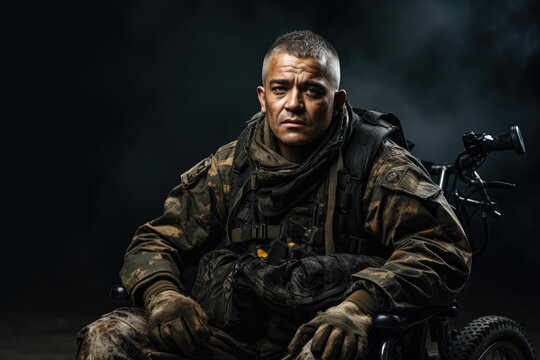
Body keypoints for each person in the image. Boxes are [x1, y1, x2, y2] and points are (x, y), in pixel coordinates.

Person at [76, 30, 471, 360]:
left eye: (312, 91)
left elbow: (441, 250)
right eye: (281, 89)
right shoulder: (230, 166)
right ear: (263, 98)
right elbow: (156, 240)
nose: (294, 104)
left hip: (326, 334)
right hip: (234, 336)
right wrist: (163, 296)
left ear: (337, 102)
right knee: (108, 335)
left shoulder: (376, 166)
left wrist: (359, 307)